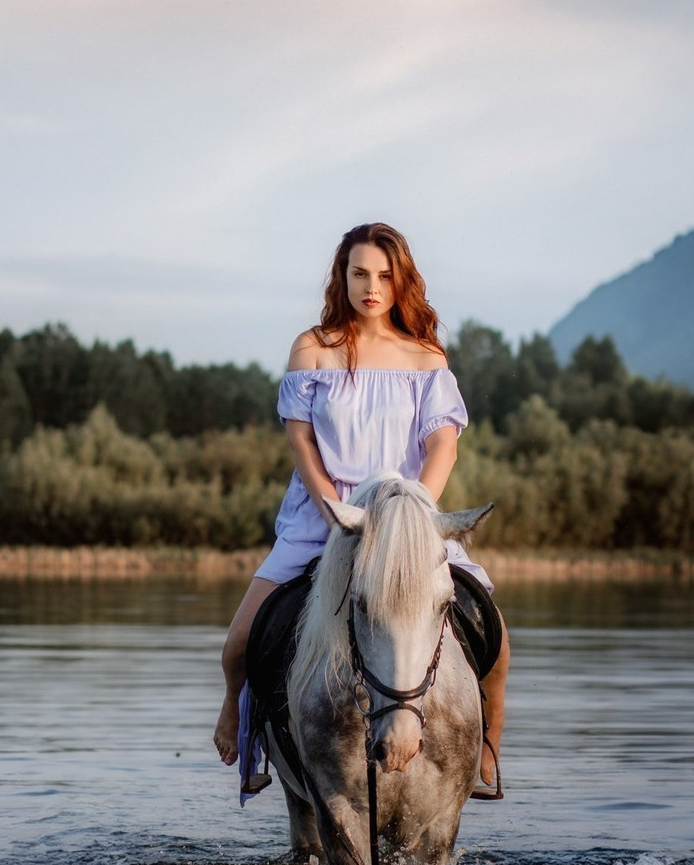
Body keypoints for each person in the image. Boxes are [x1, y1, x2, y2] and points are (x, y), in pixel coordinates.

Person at [212, 221, 510, 798]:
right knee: (239, 645)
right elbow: (300, 440)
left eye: (383, 275)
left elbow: (443, 443)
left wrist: (414, 516)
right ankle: (239, 719)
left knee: (496, 640)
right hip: (321, 517)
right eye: (359, 274)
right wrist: (330, 507)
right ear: (341, 277)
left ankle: (486, 751)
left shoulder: (426, 357)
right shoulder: (313, 349)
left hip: (405, 524)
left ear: (401, 283)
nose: (371, 286)